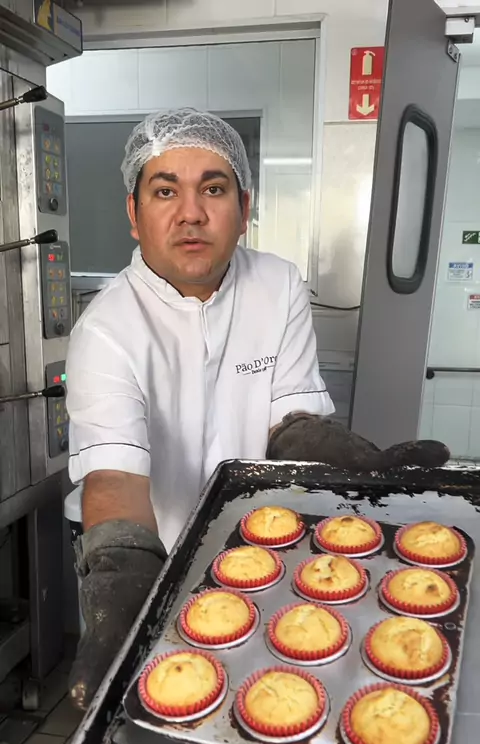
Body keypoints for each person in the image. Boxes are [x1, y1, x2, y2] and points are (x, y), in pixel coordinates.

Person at [66, 108, 449, 710]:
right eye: (165, 191)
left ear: (244, 209)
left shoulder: (277, 285)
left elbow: (289, 423)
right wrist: (127, 587)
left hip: (258, 554)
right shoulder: (106, 329)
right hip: (146, 560)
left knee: (268, 696)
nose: (191, 213)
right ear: (134, 215)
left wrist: (354, 456)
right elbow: (115, 478)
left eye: (213, 189)